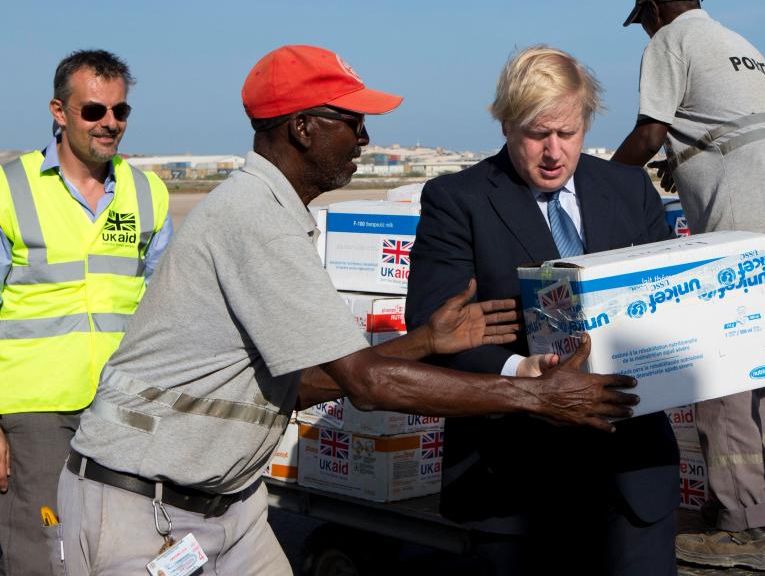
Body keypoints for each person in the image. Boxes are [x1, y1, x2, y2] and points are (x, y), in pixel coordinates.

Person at [55, 45, 637, 576]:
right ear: (304, 129)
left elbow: (302, 383)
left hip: (228, 506)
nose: (364, 139)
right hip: (145, 509)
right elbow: (365, 384)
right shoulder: (255, 220)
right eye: (353, 122)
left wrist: (424, 343)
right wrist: (538, 396)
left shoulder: (276, 212)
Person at [405, 45, 680, 576]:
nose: (554, 151)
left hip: (632, 475)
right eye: (537, 134)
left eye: (568, 133)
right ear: (506, 124)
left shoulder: (628, 189)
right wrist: (519, 374)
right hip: (516, 479)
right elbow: (430, 331)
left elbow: (668, 296)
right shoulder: (455, 199)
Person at [615, 0, 765, 571]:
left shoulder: (669, 40)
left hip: (749, 215)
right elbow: (726, 129)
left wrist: (599, 180)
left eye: (644, 22)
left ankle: (743, 530)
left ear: (654, 12)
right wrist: (685, 164)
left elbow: (650, 129)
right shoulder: (736, 42)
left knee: (718, 375)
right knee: (751, 361)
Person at [0, 50, 172, 576]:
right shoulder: (10, 188)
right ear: (60, 111)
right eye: (94, 111)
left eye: (120, 111)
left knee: (123, 547)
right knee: (42, 549)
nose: (110, 124)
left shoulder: (149, 193)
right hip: (36, 408)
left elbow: (166, 309)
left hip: (122, 405)